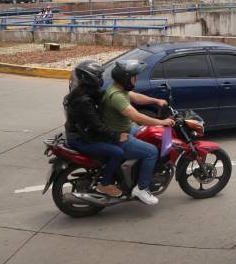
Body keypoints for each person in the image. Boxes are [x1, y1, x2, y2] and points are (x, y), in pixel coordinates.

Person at [100, 60, 172, 205]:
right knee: (151, 152)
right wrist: (162, 122)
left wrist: (156, 101)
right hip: (119, 136)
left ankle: (135, 172)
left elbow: (136, 97)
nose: (136, 79)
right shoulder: (117, 96)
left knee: (147, 133)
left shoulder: (119, 89)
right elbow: (137, 117)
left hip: (125, 129)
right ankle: (142, 188)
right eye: (134, 77)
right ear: (125, 78)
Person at [63, 60, 125, 197]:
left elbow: (103, 96)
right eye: (99, 76)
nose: (101, 79)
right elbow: (97, 126)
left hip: (82, 134)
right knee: (118, 152)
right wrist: (117, 135)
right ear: (90, 78)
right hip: (80, 139)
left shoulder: (86, 91)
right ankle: (105, 185)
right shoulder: (83, 100)